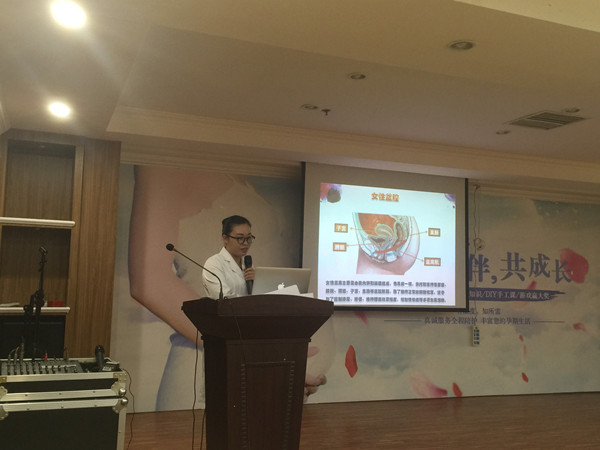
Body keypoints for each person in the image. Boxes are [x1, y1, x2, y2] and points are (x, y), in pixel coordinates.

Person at [202, 215, 255, 299]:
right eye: (240, 238)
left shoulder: (248, 265)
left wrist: (258, 282)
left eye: (248, 238)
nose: (246, 243)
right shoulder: (214, 263)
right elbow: (225, 298)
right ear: (225, 238)